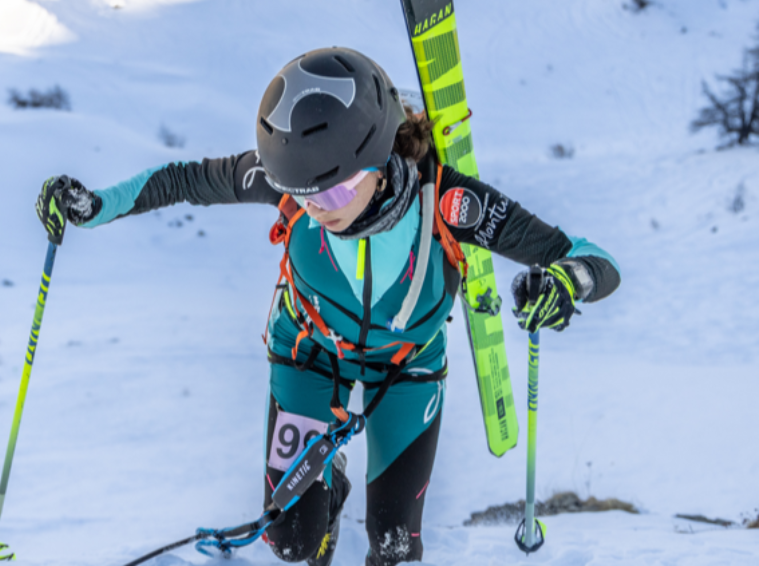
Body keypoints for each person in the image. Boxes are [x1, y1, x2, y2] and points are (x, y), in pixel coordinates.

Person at [34, 47, 620, 566]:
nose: (319, 208)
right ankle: (327, 484)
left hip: (407, 368)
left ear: (379, 156)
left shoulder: (446, 200)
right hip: (308, 353)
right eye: (304, 195)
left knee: (394, 547)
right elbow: (185, 181)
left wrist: (567, 283)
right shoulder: (291, 178)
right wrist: (95, 205)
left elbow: (592, 260)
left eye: (336, 190)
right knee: (293, 543)